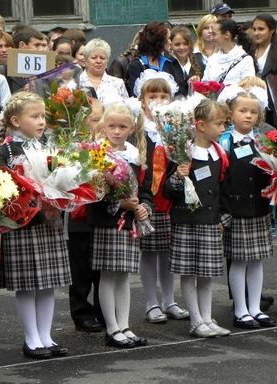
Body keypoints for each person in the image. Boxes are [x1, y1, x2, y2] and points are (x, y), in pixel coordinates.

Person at [0, 92, 72, 359]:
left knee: (48, 283)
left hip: (49, 221)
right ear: (15, 120)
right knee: (27, 285)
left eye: (43, 116)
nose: (41, 121)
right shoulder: (6, 152)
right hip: (23, 224)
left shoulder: (49, 146)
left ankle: (46, 336)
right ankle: (31, 338)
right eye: (34, 116)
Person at [164, 98, 231, 338]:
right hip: (188, 221)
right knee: (189, 272)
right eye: (219, 123)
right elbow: (167, 191)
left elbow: (221, 186)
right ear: (201, 125)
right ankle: (195, 320)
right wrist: (178, 176)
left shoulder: (218, 152)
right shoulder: (185, 152)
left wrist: (223, 217)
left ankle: (207, 317)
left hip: (210, 220)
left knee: (207, 274)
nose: (223, 128)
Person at [87, 103, 152, 348]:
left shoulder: (135, 154)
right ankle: (112, 327)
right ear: (103, 126)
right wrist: (119, 202)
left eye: (122, 126)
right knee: (108, 275)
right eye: (111, 126)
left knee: (124, 276)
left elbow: (145, 188)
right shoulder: (97, 153)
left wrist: (144, 205)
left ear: (131, 127)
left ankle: (124, 325)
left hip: (129, 223)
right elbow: (94, 192)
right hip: (107, 222)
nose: (116, 131)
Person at [217, 87, 276, 329]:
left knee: (257, 260)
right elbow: (221, 176)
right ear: (231, 114)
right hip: (237, 208)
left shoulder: (262, 141)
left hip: (258, 207)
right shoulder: (225, 141)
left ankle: (255, 308)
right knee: (239, 261)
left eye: (253, 112)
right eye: (243, 111)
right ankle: (240, 309)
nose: (248, 116)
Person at [138, 77, 189, 323]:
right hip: (149, 199)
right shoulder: (139, 130)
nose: (158, 102)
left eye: (163, 97)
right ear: (143, 101)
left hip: (171, 198)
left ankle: (169, 300)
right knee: (149, 253)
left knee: (168, 253)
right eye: (152, 97)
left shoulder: (174, 128)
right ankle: (151, 302)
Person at [67, 97, 105, 333]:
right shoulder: (73, 144)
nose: (97, 123)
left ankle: (104, 310)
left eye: (101, 118)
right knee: (80, 268)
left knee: (102, 267)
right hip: (79, 215)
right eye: (93, 119)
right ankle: (81, 312)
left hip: (102, 216)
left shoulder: (107, 144)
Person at [126, 21, 185, 97]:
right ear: (158, 41)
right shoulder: (137, 64)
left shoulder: (171, 62)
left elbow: (180, 93)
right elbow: (136, 95)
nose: (171, 42)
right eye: (168, 38)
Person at [252, 14, 277, 127]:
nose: (256, 33)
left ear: (271, 30)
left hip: (273, 107)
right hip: (252, 102)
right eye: (254, 29)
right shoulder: (249, 50)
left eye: (261, 29)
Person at [203, 19, 255, 87]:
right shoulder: (212, 59)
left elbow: (248, 87)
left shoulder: (245, 60)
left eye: (214, 34)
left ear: (227, 35)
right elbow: (205, 83)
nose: (212, 38)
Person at [79, 38, 128, 106]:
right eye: (94, 58)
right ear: (86, 60)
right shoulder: (76, 82)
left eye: (102, 58)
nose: (98, 61)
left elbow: (126, 111)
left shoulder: (118, 83)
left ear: (107, 61)